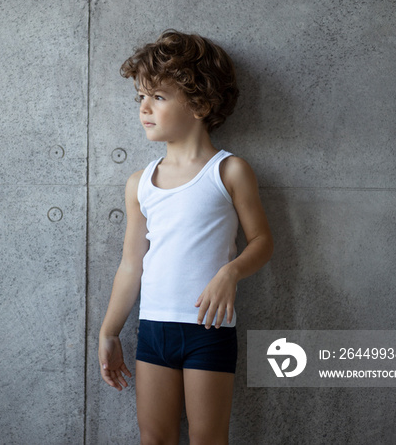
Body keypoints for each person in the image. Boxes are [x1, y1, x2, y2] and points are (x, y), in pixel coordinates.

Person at [98, 30, 274, 445]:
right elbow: (131, 264)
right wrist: (108, 332)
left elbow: (263, 241)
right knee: (153, 438)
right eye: (140, 97)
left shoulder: (228, 171)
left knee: (207, 440)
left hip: (207, 330)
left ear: (200, 103)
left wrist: (230, 272)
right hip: (153, 329)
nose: (143, 108)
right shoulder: (140, 183)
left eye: (158, 97)